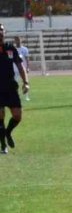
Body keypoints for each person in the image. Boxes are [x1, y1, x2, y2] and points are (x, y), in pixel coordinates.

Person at [0, 25, 29, 155]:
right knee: (0, 117)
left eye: (1, 29)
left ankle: (8, 133)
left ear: (5, 32)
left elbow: (20, 66)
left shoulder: (10, 48)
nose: (0, 32)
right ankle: (3, 146)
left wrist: (26, 82)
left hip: (11, 87)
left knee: (17, 116)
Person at [13, 36, 29, 102]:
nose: (17, 41)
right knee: (15, 83)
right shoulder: (13, 49)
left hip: (23, 69)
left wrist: (27, 67)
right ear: (14, 41)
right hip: (14, 69)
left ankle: (27, 96)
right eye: (16, 40)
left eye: (18, 40)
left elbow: (27, 59)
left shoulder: (25, 49)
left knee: (25, 83)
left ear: (21, 40)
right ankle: (16, 96)